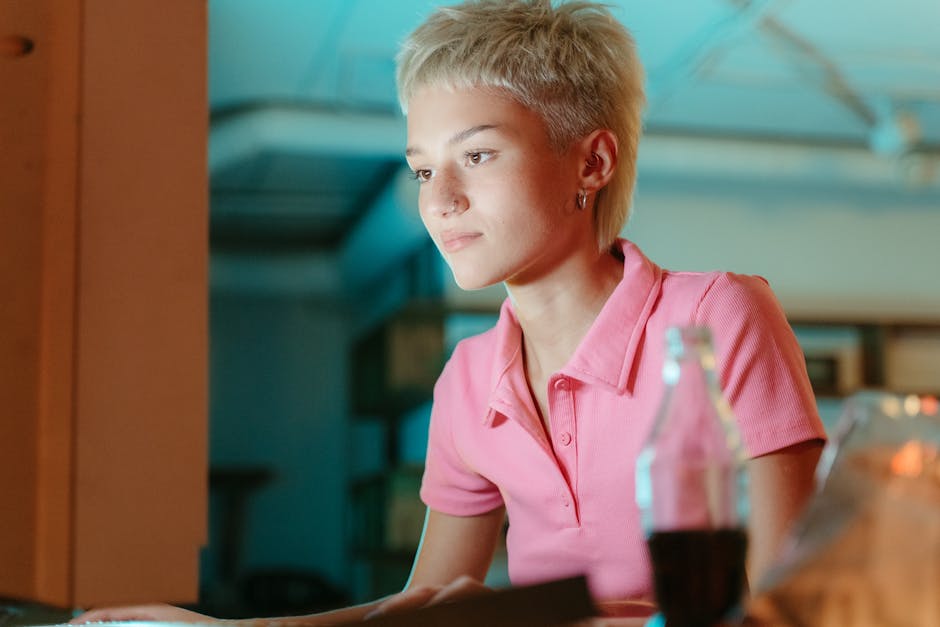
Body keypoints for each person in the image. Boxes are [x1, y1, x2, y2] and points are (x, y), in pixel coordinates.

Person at [74, 0, 825, 624]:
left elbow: (787, 606)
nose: (440, 200)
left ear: (591, 164)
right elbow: (418, 609)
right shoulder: (466, 380)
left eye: (479, 155)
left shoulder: (717, 316)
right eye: (425, 168)